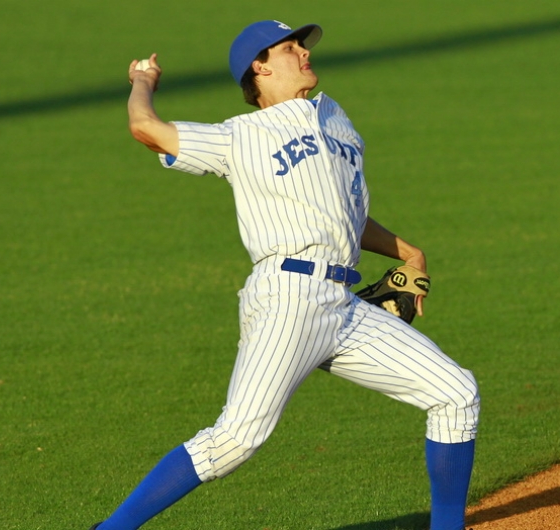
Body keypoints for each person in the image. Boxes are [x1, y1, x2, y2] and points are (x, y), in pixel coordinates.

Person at [91, 20, 480, 530]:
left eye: (303, 45)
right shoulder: (240, 136)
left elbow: (344, 215)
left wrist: (408, 251)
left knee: (456, 394)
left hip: (343, 307)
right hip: (288, 298)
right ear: (260, 65)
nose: (303, 53)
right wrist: (143, 82)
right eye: (290, 47)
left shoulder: (337, 121)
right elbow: (146, 128)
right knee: (234, 441)